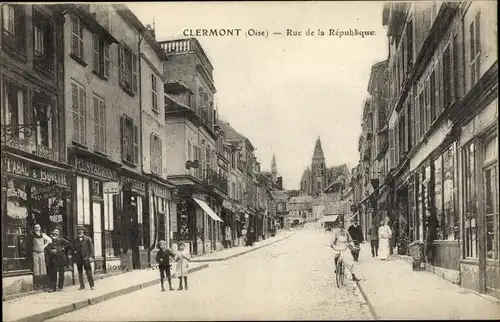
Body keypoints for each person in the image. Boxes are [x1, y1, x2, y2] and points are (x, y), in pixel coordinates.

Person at [330, 218, 361, 282]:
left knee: (350, 261)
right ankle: (337, 268)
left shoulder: (345, 231)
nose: (340, 226)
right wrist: (332, 244)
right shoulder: (335, 232)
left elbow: (350, 240)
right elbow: (332, 240)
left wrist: (352, 245)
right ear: (337, 225)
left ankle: (353, 276)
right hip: (338, 247)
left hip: (345, 247)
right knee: (336, 257)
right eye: (339, 224)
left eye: (341, 224)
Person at [45, 227, 71, 292]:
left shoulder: (61, 240)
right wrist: (51, 251)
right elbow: (46, 248)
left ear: (59, 233)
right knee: (53, 273)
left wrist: (63, 248)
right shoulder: (49, 240)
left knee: (61, 273)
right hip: (53, 258)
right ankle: (53, 288)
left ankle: (60, 287)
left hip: (61, 258)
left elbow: (69, 244)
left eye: (57, 232)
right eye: (55, 232)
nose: (55, 233)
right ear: (52, 232)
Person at [73, 225, 95, 290]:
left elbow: (91, 248)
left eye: (81, 230)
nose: (80, 231)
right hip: (79, 259)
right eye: (78, 230)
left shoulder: (88, 239)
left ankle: (92, 285)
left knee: (89, 272)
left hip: (86, 258)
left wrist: (91, 256)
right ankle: (82, 286)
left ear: (83, 231)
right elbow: (74, 248)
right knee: (80, 273)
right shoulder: (75, 239)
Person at [32, 224, 52, 291]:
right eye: (35, 227)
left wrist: (44, 246)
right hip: (35, 253)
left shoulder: (42, 234)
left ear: (40, 228)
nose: (36, 228)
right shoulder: (32, 235)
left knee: (42, 268)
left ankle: (43, 285)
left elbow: (50, 240)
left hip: (42, 253)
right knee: (36, 268)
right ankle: (37, 285)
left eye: (38, 227)